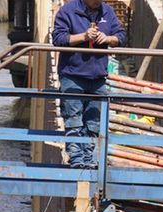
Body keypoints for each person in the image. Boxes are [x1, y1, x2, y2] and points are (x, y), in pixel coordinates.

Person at [51, 0, 126, 168]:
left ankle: (89, 159)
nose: (97, 2)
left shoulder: (107, 11)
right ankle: (77, 159)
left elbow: (122, 36)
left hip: (97, 77)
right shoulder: (68, 11)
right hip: (72, 75)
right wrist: (83, 37)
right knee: (73, 119)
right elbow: (58, 38)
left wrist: (108, 39)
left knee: (94, 122)